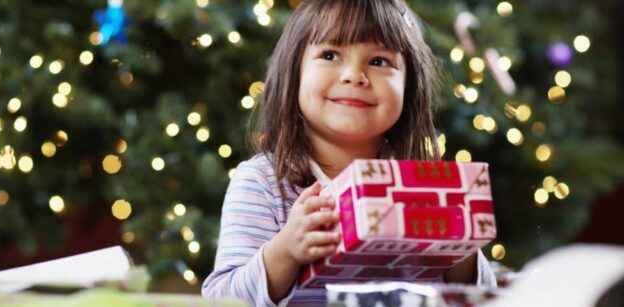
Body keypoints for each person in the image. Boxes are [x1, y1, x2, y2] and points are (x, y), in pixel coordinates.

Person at [202, 0, 496, 306]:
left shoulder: (423, 187)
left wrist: (461, 249)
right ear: (294, 74)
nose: (355, 75)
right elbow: (222, 299)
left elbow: (484, 298)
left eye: (380, 61)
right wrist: (285, 252)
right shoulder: (263, 181)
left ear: (409, 88)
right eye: (330, 55)